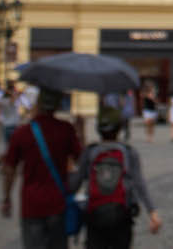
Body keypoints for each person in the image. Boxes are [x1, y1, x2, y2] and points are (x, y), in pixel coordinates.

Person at [1, 87, 82, 249]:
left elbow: (9, 169)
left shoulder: (22, 132)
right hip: (58, 204)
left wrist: (7, 198)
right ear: (58, 105)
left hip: (31, 205)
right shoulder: (66, 129)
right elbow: (82, 160)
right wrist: (81, 130)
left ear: (37, 104)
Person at [69, 106, 161, 248]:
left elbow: (75, 183)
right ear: (119, 128)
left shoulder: (90, 151)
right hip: (121, 215)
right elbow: (139, 183)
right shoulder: (129, 152)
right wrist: (152, 212)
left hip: (95, 214)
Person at [0, 81, 22, 170]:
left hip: (6, 126)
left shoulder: (1, 100)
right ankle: (3, 163)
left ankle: (1, 161)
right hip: (13, 126)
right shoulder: (13, 99)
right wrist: (15, 93)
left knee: (9, 148)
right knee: (13, 149)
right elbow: (13, 100)